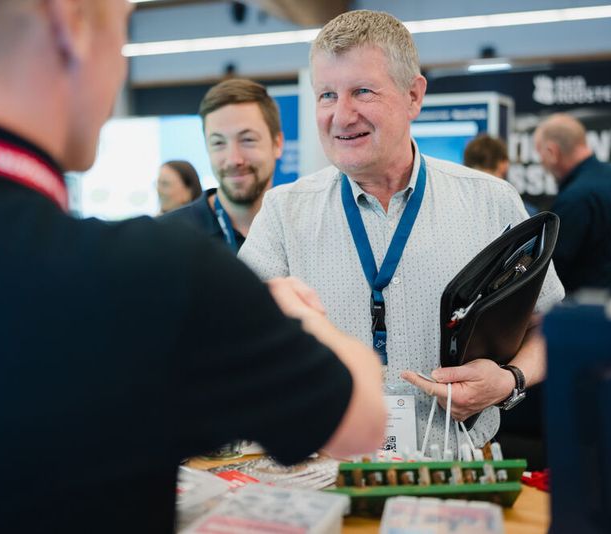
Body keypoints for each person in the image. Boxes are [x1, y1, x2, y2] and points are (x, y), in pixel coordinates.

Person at [0, 1, 386, 532]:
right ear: (70, 23)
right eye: (121, 30)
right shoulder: (156, 274)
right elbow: (360, 421)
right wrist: (298, 314)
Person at [239, 10, 565, 450]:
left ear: (413, 95)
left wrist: (510, 381)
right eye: (327, 95)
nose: (341, 115)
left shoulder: (490, 201)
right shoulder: (284, 211)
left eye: (362, 92)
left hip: (460, 469)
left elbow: (549, 325)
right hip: (323, 471)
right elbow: (235, 342)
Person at [162, 78, 282, 253]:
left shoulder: (302, 230)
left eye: (247, 139)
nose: (234, 159)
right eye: (218, 143)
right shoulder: (168, 237)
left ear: (277, 144)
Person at [534, 113, 611, 295]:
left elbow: (552, 273)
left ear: (552, 152)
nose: (542, 164)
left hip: (589, 316)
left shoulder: (574, 198)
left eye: (541, 156)